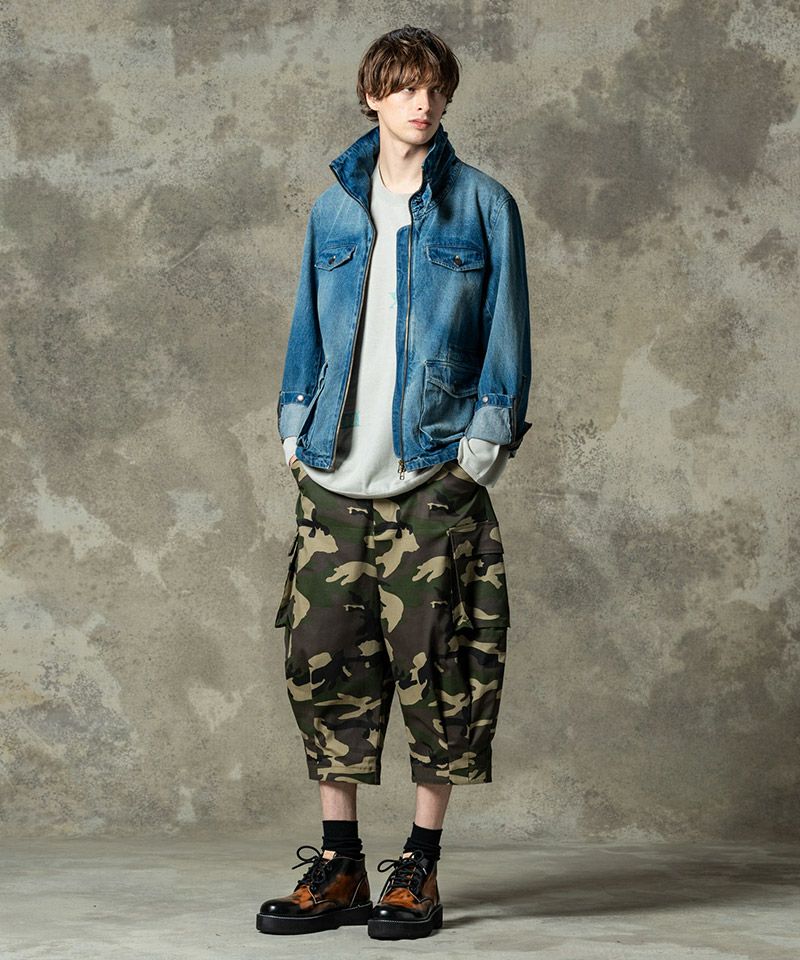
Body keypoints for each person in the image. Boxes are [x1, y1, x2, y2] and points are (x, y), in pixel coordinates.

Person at [256, 24, 532, 941]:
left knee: (442, 670)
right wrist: (294, 432)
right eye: (406, 87)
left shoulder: (483, 205)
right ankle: (339, 866)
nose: (424, 102)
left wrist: (477, 456)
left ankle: (419, 867)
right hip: (333, 479)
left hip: (430, 480)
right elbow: (308, 329)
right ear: (372, 95)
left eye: (436, 88)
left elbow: (508, 336)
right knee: (323, 665)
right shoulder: (332, 210)